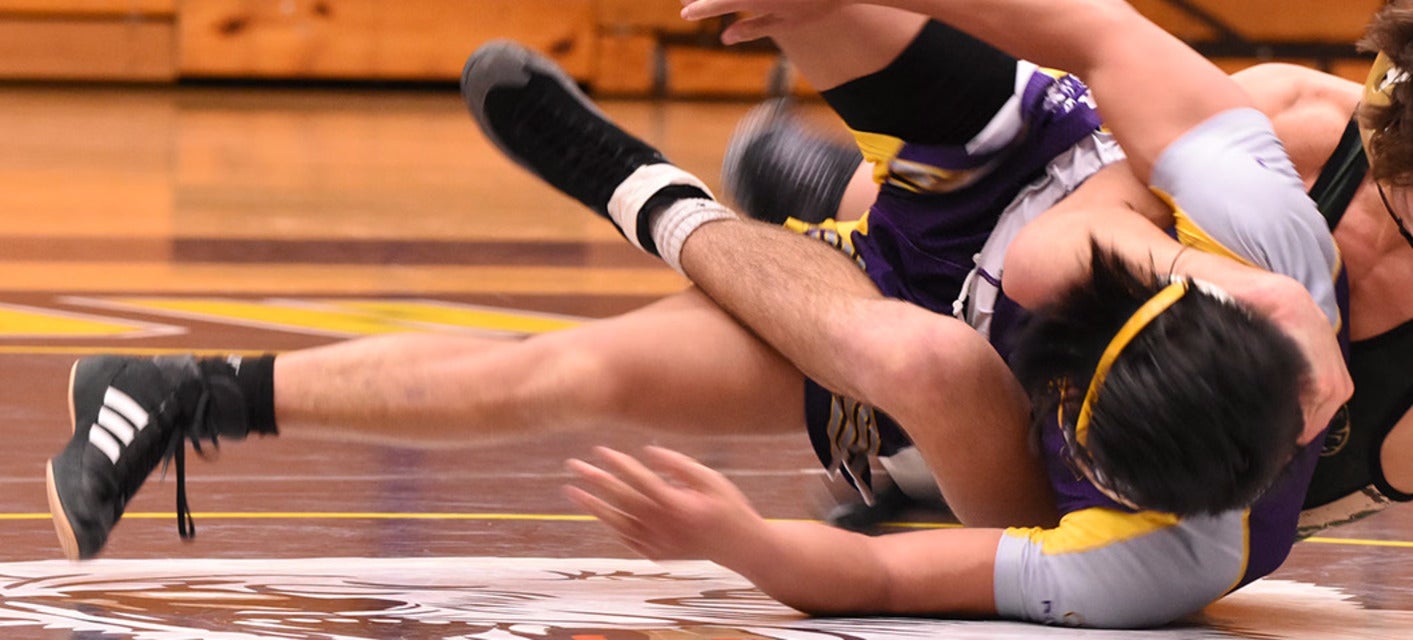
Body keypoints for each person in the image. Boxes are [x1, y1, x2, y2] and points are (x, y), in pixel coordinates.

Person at [44, 0, 1344, 629]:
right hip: (1014, 178)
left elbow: (889, 576)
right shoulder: (1271, 246)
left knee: (898, 360)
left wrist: (742, 539)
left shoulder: (1157, 564)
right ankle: (755, 186)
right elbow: (1099, 32)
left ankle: (648, 197)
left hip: (918, 362)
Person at [718, 2, 1413, 535]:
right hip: (1044, 288)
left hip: (1155, 477)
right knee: (991, 219)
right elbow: (1061, 236)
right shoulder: (1300, 122)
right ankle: (834, 189)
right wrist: (1255, 293)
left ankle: (939, 470)